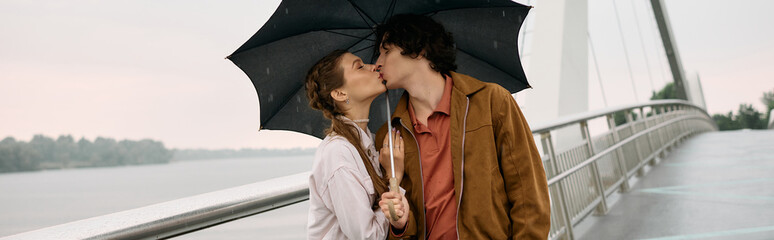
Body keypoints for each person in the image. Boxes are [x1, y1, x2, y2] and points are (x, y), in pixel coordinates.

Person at [373, 14, 551, 239]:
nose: (377, 63)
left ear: (418, 50)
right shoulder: (388, 136)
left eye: (386, 51)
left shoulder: (492, 102)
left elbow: (528, 194)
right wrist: (401, 224)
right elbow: (400, 226)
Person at [305, 49, 414, 239]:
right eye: (360, 67)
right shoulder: (338, 154)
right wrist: (393, 177)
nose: (374, 67)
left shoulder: (369, 141)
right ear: (340, 93)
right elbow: (367, 236)